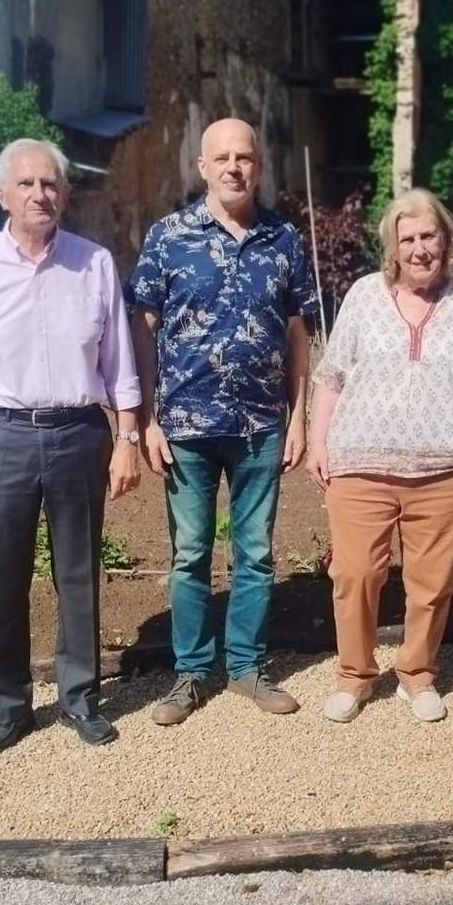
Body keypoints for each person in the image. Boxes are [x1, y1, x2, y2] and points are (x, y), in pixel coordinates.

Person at [0, 138, 143, 755]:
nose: (39, 194)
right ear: (2, 195)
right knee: (4, 576)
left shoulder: (94, 264)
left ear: (66, 194)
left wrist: (127, 437)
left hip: (79, 432)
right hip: (0, 436)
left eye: (49, 184)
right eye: (25, 184)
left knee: (78, 573)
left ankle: (80, 697)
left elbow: (119, 363)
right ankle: (9, 704)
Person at [128, 118, 317, 726]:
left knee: (256, 553)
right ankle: (189, 674)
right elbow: (143, 329)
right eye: (223, 158)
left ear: (257, 167)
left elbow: (297, 333)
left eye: (246, 157)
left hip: (261, 425)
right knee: (189, 555)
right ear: (203, 168)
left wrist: (299, 420)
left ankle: (247, 667)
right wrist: (146, 419)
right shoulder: (169, 237)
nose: (235, 167)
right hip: (184, 426)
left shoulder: (283, 239)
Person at [307, 188, 453, 724]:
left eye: (429, 235)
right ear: (393, 246)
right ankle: (355, 675)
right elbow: (331, 376)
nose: (420, 248)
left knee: (433, 581)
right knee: (355, 575)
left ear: (446, 238)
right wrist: (317, 441)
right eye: (408, 238)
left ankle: (417, 675)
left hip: (446, 469)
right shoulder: (364, 295)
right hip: (361, 465)